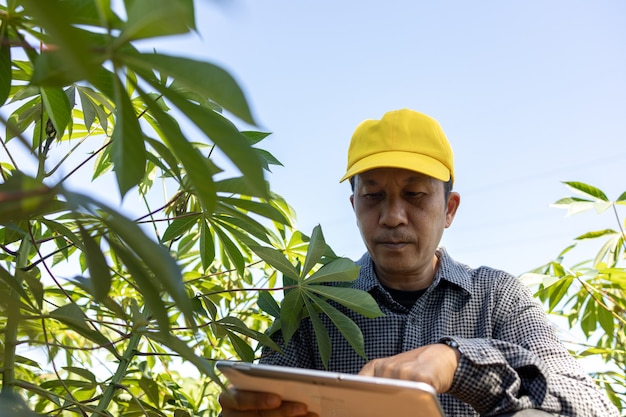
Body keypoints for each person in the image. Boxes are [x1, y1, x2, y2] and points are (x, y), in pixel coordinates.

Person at [219, 109, 619, 416]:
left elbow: (588, 404)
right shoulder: (314, 302)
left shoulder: (497, 296)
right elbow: (263, 391)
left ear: (449, 209)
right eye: (373, 196)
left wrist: (458, 363)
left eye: (414, 195)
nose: (393, 216)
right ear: (354, 205)